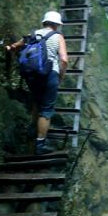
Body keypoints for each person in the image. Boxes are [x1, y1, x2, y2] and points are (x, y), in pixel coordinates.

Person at [6, 11, 68, 155]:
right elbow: (64, 60)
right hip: (49, 74)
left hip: (32, 75)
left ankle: (32, 129)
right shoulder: (58, 37)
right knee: (46, 109)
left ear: (44, 22)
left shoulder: (33, 34)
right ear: (57, 25)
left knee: (36, 100)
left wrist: (9, 49)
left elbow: (15, 47)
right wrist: (60, 77)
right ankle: (40, 144)